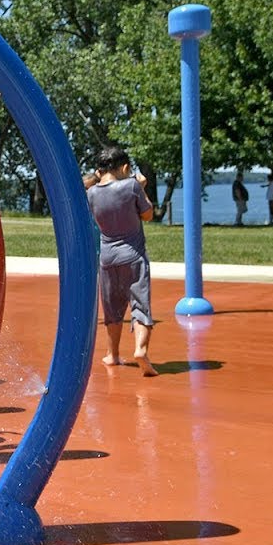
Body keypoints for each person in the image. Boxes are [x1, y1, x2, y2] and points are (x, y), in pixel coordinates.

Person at [88, 145, 157, 377]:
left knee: (112, 309)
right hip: (134, 256)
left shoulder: (92, 193)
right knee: (140, 305)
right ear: (125, 167)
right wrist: (142, 188)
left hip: (107, 258)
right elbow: (147, 214)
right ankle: (140, 349)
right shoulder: (132, 186)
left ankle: (112, 354)